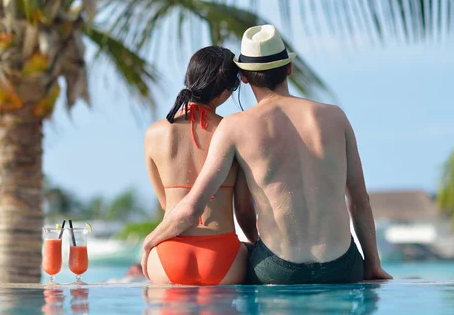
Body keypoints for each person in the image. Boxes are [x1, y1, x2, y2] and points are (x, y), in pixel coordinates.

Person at [142, 25, 391, 284]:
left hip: (279, 269)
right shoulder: (335, 117)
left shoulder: (236, 126)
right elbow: (360, 200)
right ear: (289, 69)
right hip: (342, 266)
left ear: (245, 78)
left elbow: (193, 208)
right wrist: (372, 264)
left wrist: (150, 241)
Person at [143, 46, 258, 286]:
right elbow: (244, 211)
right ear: (226, 90)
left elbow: (168, 206)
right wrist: (257, 244)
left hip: (167, 254)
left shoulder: (155, 133)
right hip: (223, 256)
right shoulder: (233, 132)